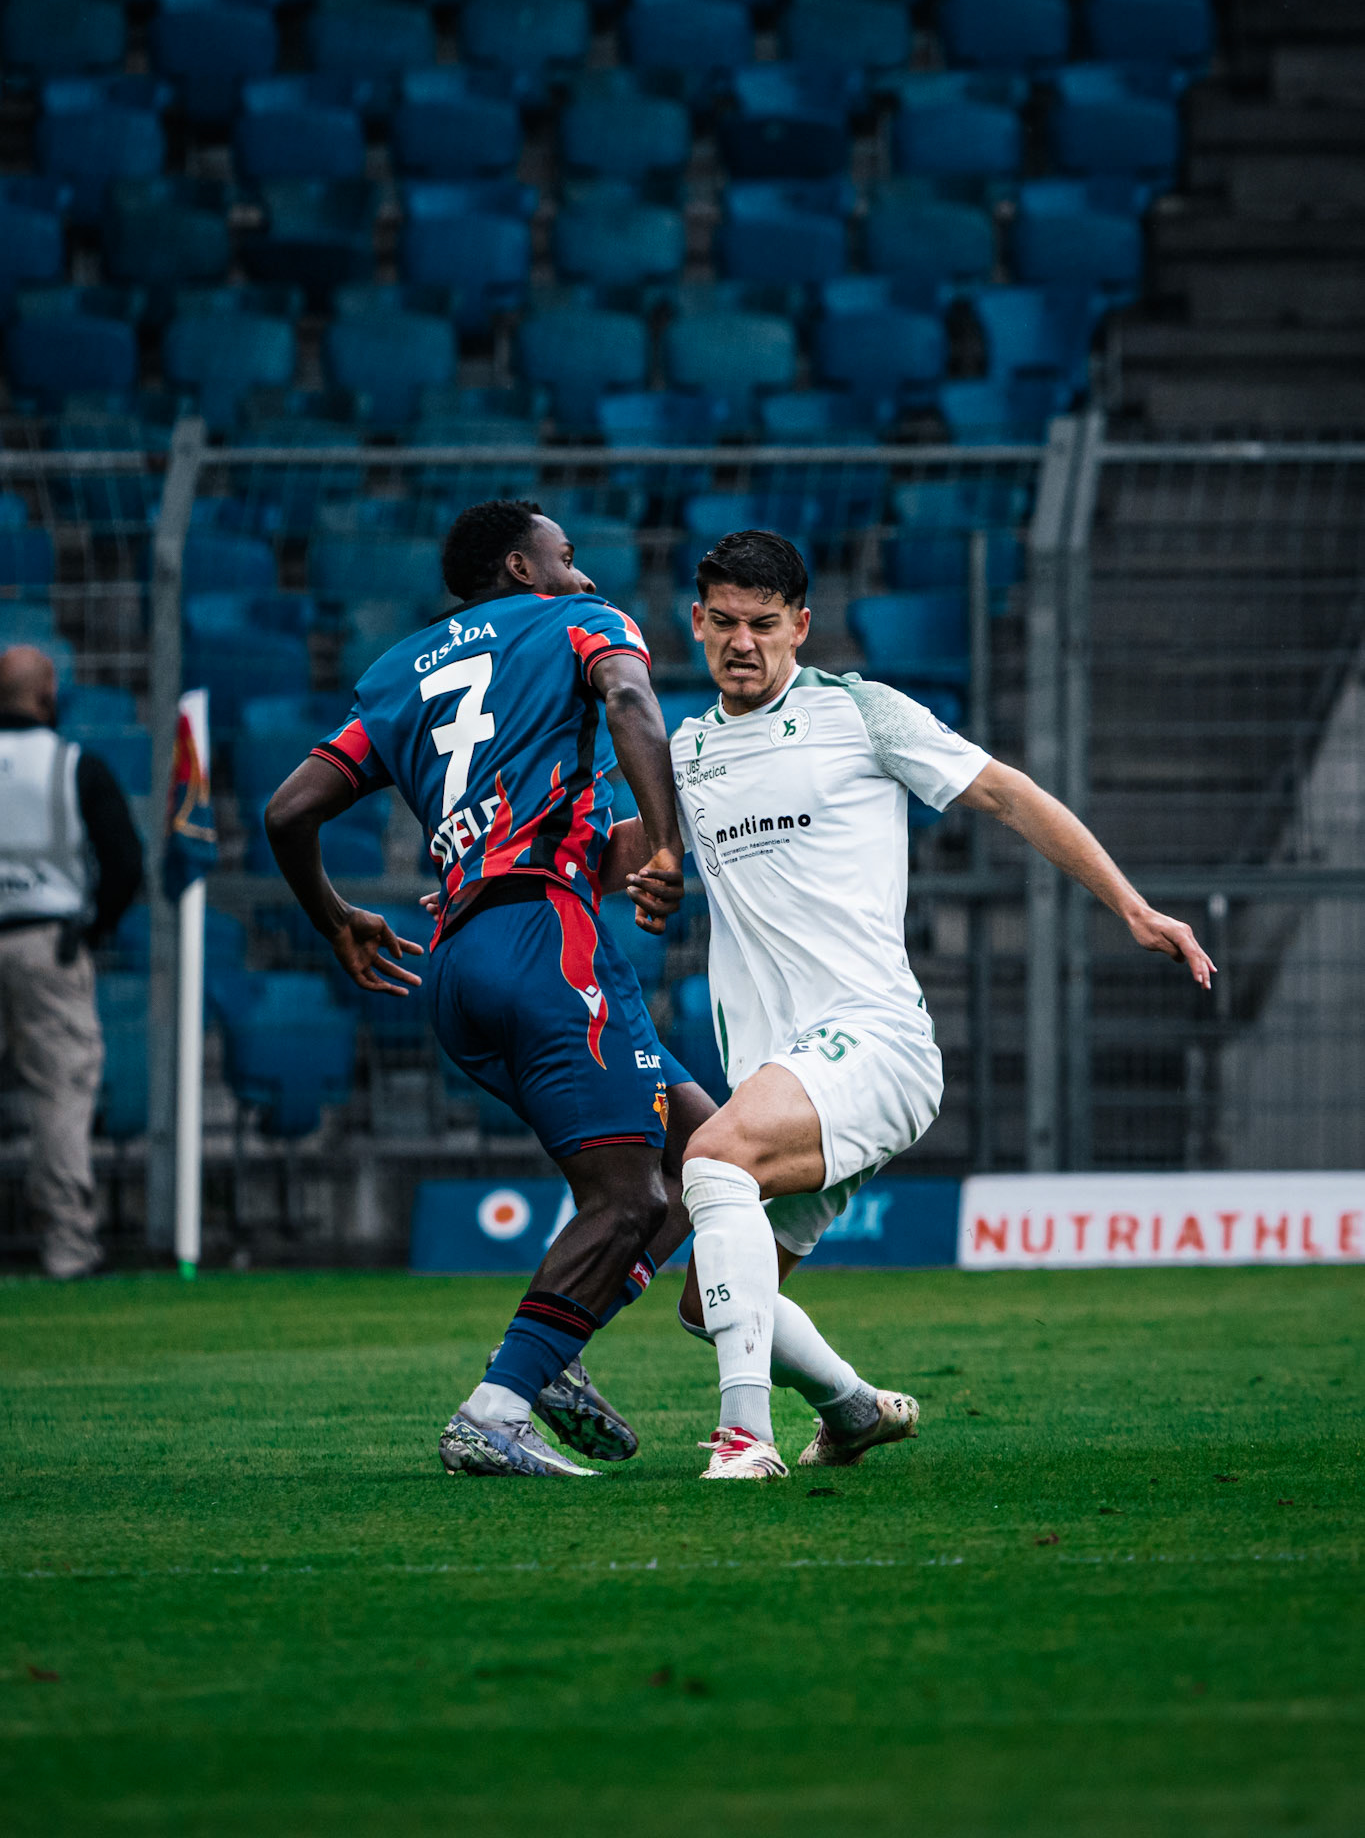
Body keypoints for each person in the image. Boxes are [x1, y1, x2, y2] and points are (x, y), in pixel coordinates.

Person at [617, 530, 1215, 1481]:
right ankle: (852, 1411)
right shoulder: (687, 753)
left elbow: (1010, 796)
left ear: (800, 626)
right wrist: (511, 878)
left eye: (763, 625)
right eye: (723, 622)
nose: (742, 642)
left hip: (875, 1043)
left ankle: (744, 1441)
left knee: (712, 1158)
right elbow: (638, 852)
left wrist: (1133, 907)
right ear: (695, 623)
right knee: (714, 1302)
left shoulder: (861, 714)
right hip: (790, 1072)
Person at [264, 499, 710, 1479]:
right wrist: (670, 844)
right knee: (631, 1193)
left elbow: (290, 807)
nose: (585, 571)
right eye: (568, 552)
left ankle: (555, 1357)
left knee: (707, 1150)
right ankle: (499, 1404)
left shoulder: (395, 674)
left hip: (460, 958)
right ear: (520, 565)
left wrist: (337, 916)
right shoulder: (579, 623)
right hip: (548, 939)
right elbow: (634, 704)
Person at [0, 646, 143, 1279]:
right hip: (46, 946)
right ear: (46, 693)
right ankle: (66, 1249)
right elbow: (125, 864)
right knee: (60, 1093)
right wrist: (91, 929)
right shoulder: (74, 765)